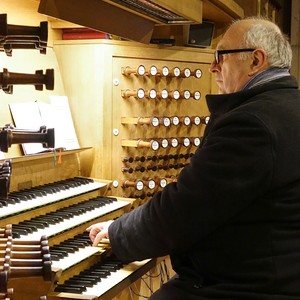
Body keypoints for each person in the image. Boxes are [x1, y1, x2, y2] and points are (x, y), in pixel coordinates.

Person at [87, 17, 300, 299]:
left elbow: (184, 209)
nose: (213, 67)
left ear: (255, 60)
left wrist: (119, 233)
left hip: (246, 285)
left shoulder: (252, 123)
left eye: (220, 56)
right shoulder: (287, 108)